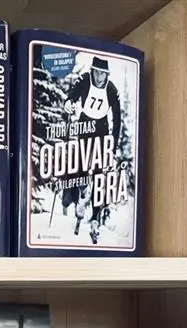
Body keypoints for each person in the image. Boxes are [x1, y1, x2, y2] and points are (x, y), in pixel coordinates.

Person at [59, 56, 122, 244]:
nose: (100, 77)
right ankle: (81, 195)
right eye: (97, 73)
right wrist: (69, 102)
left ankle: (95, 217)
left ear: (107, 75)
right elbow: (74, 93)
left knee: (99, 174)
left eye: (103, 74)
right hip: (85, 127)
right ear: (93, 71)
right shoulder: (86, 79)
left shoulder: (111, 90)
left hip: (102, 131)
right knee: (81, 165)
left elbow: (117, 120)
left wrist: (113, 146)